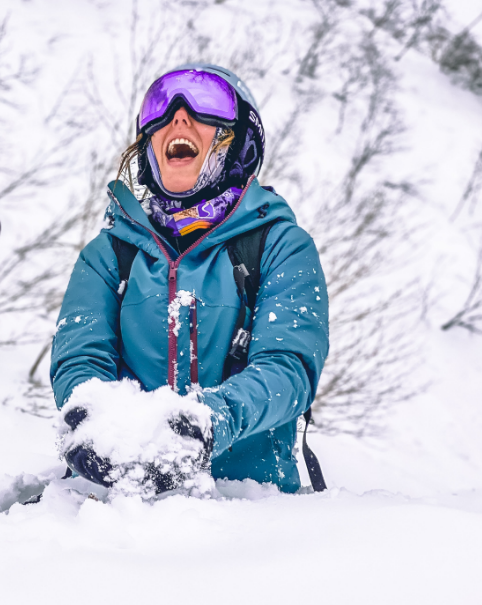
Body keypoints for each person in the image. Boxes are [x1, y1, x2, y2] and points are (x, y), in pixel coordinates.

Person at [50, 64, 330, 495]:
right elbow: (80, 358)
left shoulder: (280, 246)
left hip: (250, 513)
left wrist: (207, 423)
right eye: (159, 106)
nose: (177, 117)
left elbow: (289, 368)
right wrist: (91, 415)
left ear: (239, 142)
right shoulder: (109, 254)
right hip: (110, 513)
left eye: (207, 105)